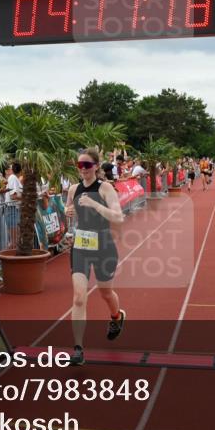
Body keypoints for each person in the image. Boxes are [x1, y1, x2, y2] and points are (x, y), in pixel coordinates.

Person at [64, 148, 126, 366]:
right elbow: (70, 212)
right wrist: (68, 213)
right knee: (79, 297)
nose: (83, 170)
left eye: (87, 165)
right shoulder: (73, 189)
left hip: (104, 246)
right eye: (79, 166)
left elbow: (118, 217)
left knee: (105, 292)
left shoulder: (105, 188)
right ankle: (78, 348)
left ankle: (116, 316)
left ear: (96, 166)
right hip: (80, 246)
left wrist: (95, 204)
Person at [4, 162, 23, 244]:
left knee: (16, 240)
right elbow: (13, 196)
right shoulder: (13, 178)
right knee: (14, 241)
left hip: (14, 210)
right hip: (12, 210)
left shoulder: (14, 178)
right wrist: (27, 196)